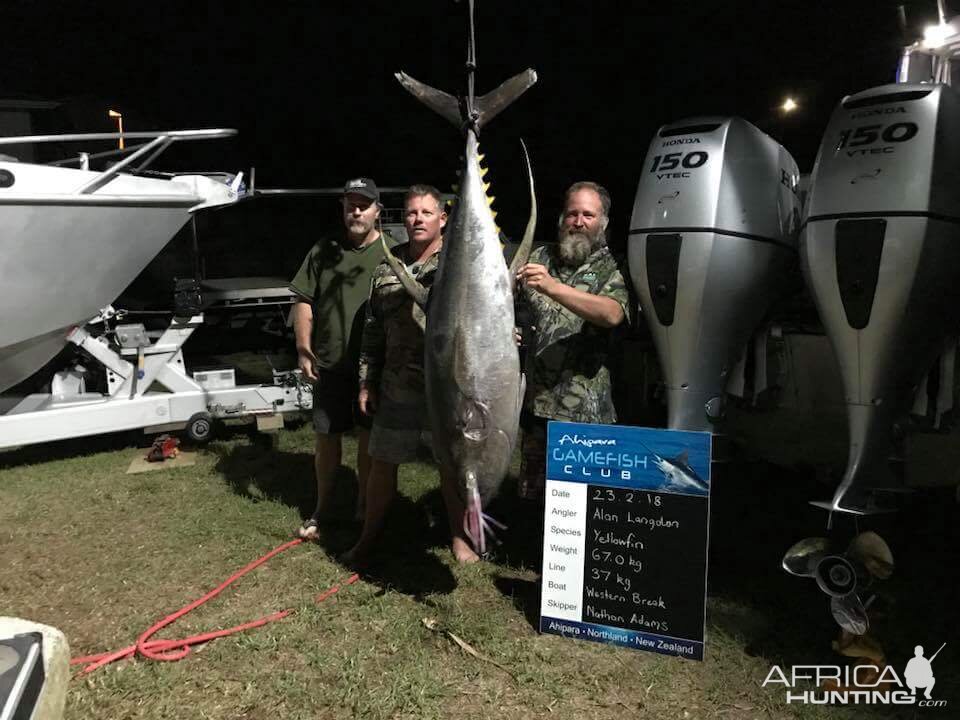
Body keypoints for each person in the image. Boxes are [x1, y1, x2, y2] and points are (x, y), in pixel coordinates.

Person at [345, 184, 479, 565]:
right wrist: (366, 381)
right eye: (410, 213)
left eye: (425, 213)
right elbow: (373, 328)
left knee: (450, 467)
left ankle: (460, 538)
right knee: (381, 465)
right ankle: (368, 537)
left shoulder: (458, 266)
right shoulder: (388, 265)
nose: (416, 220)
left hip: (447, 390)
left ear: (443, 218)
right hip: (397, 387)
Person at [289, 177, 392, 539]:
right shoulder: (324, 250)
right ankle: (323, 507)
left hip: (374, 369)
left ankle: (364, 505)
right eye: (351, 204)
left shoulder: (394, 253)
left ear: (378, 210)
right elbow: (303, 300)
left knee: (368, 440)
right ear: (343, 208)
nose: (357, 210)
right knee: (326, 436)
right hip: (330, 363)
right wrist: (304, 348)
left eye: (364, 204)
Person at [514, 181, 631, 499]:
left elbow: (611, 314)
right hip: (536, 404)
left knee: (580, 499)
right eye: (572, 213)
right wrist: (510, 331)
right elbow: (511, 305)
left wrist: (554, 288)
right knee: (535, 496)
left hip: (585, 412)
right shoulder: (539, 256)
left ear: (603, 222)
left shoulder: (613, 265)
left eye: (588, 215)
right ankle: (528, 548)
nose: (578, 222)